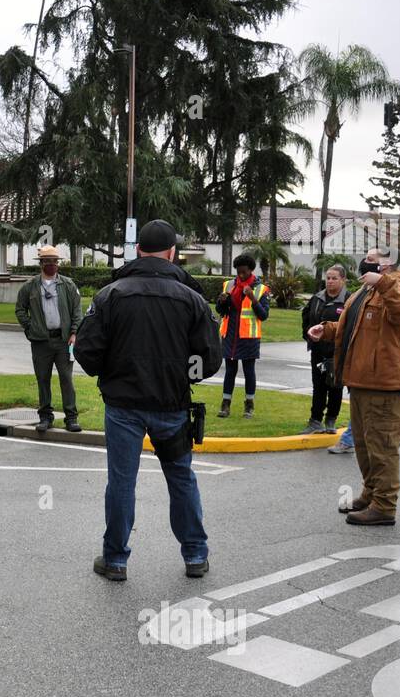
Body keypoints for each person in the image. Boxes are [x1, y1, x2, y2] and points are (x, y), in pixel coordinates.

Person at [74, 219, 223, 581]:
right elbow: (210, 357)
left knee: (122, 482)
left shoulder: (112, 294)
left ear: (138, 250)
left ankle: (115, 559)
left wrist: (110, 373)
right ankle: (195, 555)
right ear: (172, 253)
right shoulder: (191, 299)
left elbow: (87, 351)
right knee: (181, 479)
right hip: (171, 405)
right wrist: (180, 376)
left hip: (123, 405)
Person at [306, 248, 400, 526]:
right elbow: (355, 325)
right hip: (360, 382)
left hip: (385, 385)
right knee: (364, 446)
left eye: (372, 258)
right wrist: (327, 329)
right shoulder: (366, 291)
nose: (365, 262)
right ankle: (371, 494)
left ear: (387, 263)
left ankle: (385, 505)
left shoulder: (398, 285)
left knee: (383, 447)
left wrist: (383, 282)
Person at [15, 244, 83, 432]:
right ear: (41, 264)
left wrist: (74, 332)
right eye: (47, 262)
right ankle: (45, 417)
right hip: (40, 342)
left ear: (58, 263)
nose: (51, 265)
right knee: (42, 379)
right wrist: (29, 328)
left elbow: (77, 310)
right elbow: (20, 309)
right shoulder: (30, 287)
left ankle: (71, 418)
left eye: (54, 261)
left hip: (63, 341)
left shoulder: (68, 285)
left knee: (66, 379)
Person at [215, 252, 270, 419]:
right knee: (229, 371)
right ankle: (225, 405)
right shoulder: (229, 285)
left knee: (248, 371)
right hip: (230, 335)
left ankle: (249, 405)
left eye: (244, 272)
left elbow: (263, 315)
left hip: (248, 337)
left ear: (251, 270)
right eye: (238, 271)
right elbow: (220, 311)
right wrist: (222, 301)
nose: (241, 275)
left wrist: (253, 299)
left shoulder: (260, 289)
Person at [301, 263, 348, 433]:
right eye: (328, 278)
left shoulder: (349, 300)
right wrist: (308, 336)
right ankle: (315, 421)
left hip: (337, 353)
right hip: (318, 351)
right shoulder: (317, 298)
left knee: (335, 386)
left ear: (343, 280)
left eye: (334, 278)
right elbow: (306, 318)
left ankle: (331, 420)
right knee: (318, 386)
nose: (330, 281)